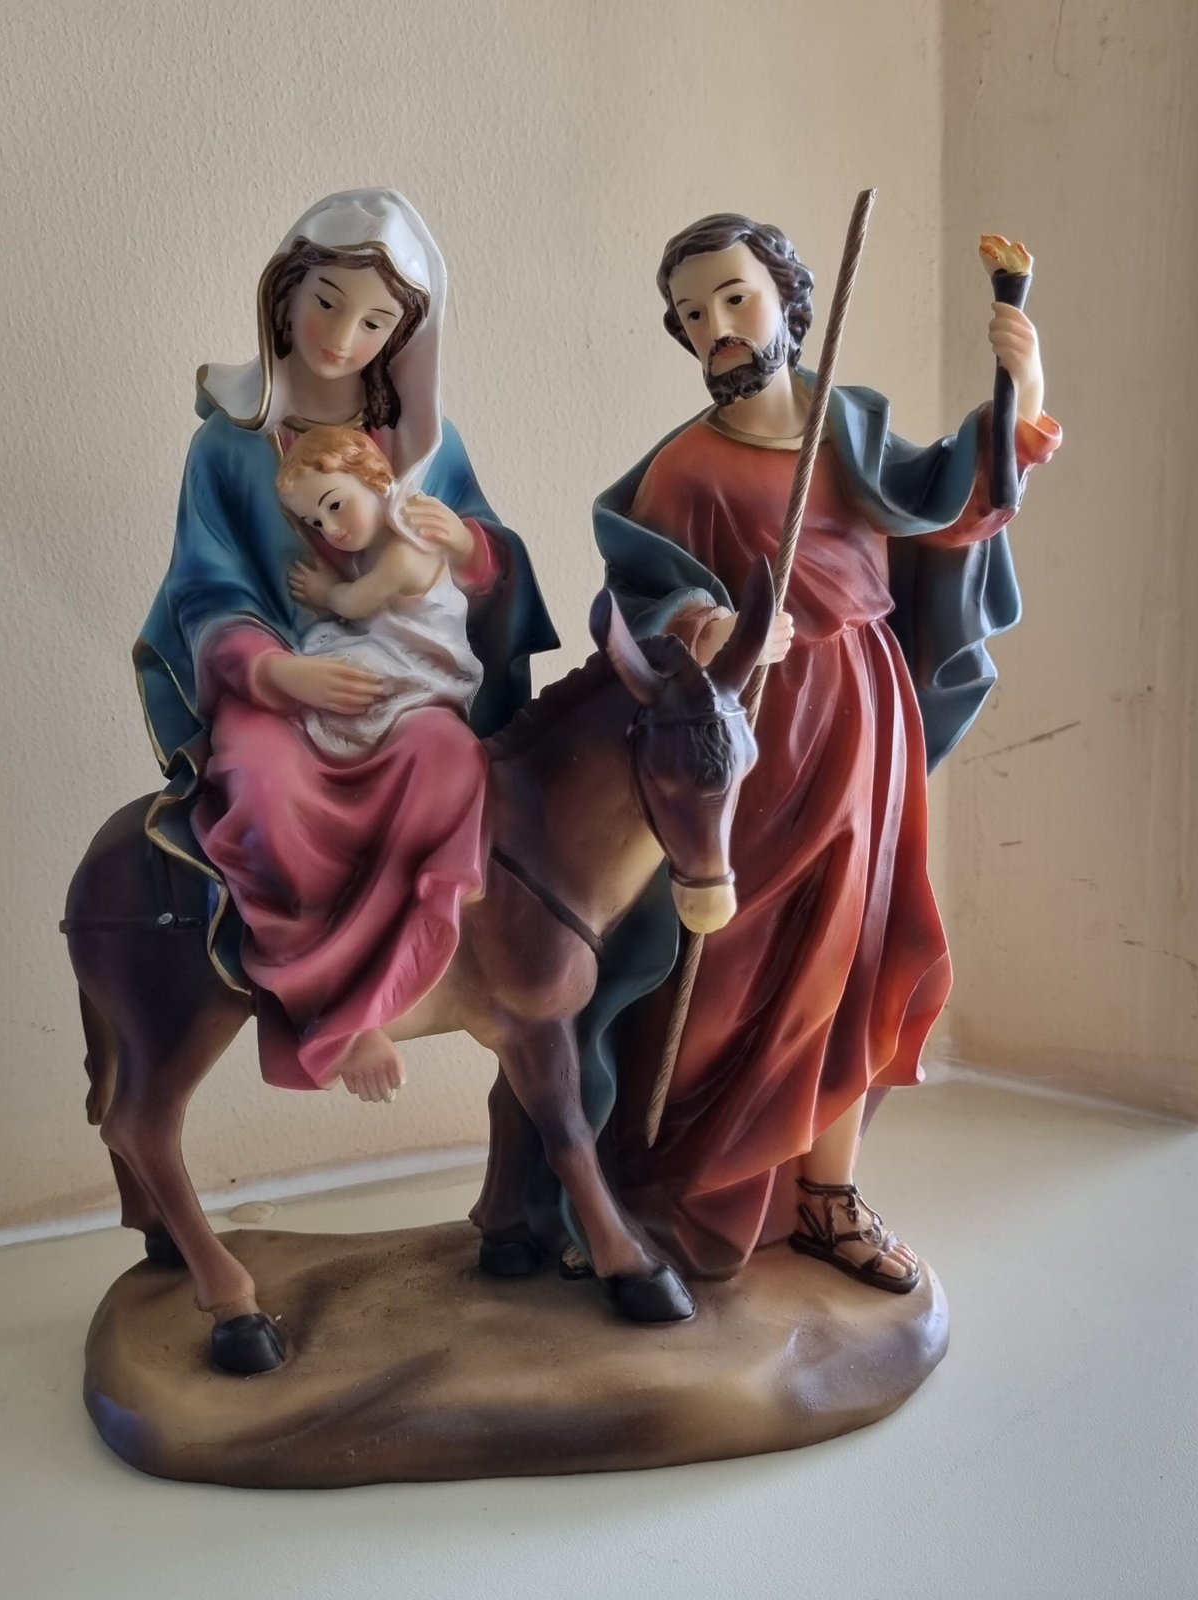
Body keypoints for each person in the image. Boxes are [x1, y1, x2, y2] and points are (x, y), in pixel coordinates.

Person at [568, 212, 1062, 1286]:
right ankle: (677, 1188)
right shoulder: (686, 470)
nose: (716, 328)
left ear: (789, 304)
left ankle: (826, 1194)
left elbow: (949, 506)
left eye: (734, 298)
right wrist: (705, 623)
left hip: (865, 720)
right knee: (732, 969)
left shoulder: (849, 427)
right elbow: (641, 593)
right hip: (754, 741)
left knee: (856, 954)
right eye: (693, 314)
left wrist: (1017, 395)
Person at [134, 189, 556, 1104]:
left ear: (403, 336)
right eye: (326, 301)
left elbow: (489, 560)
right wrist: (278, 671)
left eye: (374, 322)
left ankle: (384, 994)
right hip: (280, 693)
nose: (341, 335)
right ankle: (331, 1008)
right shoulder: (228, 449)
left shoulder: (422, 445)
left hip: (401, 692)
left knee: (449, 763)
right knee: (261, 787)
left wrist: (468, 548)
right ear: (283, 294)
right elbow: (205, 588)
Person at [278, 424, 483, 760]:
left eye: (335, 505)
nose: (330, 529)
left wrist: (326, 592)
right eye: (315, 522)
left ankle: (349, 741)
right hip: (390, 643)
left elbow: (355, 603)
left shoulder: (405, 551)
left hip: (423, 660)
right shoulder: (373, 546)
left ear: (373, 479)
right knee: (322, 657)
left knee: (353, 675)